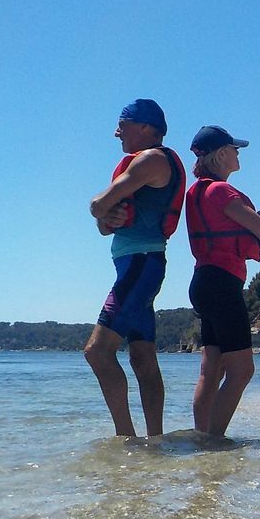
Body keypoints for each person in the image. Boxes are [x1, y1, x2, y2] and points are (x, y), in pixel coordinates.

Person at [84, 99, 186, 437]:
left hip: (140, 266)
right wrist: (107, 218)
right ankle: (155, 441)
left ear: (145, 127)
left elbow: (98, 205)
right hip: (140, 264)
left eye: (122, 124)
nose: (116, 133)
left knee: (98, 353)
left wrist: (101, 211)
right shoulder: (142, 165)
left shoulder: (152, 160)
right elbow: (104, 223)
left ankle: (126, 441)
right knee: (142, 358)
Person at [185, 125, 260, 437]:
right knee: (242, 371)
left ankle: (200, 439)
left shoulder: (197, 193)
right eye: (234, 149)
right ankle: (213, 442)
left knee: (212, 370)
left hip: (203, 282)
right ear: (221, 154)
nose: (238, 153)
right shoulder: (221, 191)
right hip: (223, 284)